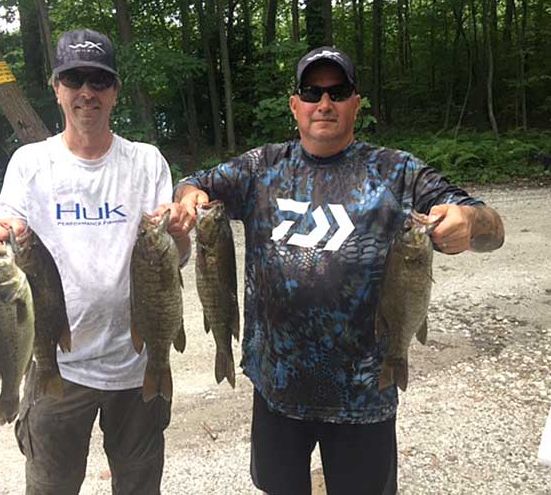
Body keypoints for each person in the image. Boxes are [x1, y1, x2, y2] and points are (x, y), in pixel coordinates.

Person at [175, 46, 505, 495]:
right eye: (312, 92)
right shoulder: (261, 167)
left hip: (366, 390)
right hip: (278, 385)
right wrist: (189, 195)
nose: (324, 103)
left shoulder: (396, 171)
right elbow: (194, 183)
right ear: (295, 104)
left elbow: (493, 228)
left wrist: (472, 222)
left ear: (356, 101)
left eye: (338, 91)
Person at [0, 28, 193, 495]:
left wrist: (179, 236)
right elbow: (7, 245)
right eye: (74, 79)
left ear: (114, 91)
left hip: (136, 363)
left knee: (139, 487)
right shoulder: (29, 163)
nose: (86, 93)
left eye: (98, 81)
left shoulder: (146, 162)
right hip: (57, 360)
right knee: (51, 487)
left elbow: (171, 260)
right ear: (56, 89)